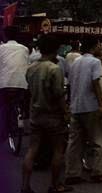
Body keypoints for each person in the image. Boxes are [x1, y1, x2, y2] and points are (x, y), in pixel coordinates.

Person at [21, 34, 71, 193]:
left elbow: (30, 90)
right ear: (55, 49)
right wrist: (66, 113)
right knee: (58, 150)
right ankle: (55, 185)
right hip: (53, 115)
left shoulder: (31, 68)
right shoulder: (54, 69)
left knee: (32, 150)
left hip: (36, 114)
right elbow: (58, 95)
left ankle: (25, 186)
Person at [65, 36, 102, 184]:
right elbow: (95, 83)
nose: (100, 47)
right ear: (94, 47)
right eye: (99, 45)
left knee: (75, 142)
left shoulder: (75, 62)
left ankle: (72, 173)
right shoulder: (95, 62)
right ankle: (99, 172)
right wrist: (101, 105)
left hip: (76, 105)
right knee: (100, 140)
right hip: (90, 106)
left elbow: (71, 84)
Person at [0, 26, 29, 140]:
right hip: (21, 84)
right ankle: (21, 116)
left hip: (4, 84)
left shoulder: (1, 48)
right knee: (21, 102)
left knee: (2, 105)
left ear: (5, 35)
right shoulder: (24, 49)